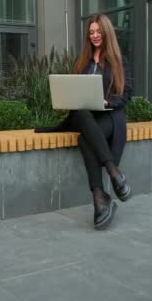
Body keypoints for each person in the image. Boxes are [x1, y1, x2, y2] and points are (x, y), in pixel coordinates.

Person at [36, 14, 133, 230]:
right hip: (85, 115)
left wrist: (107, 101)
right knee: (80, 113)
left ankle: (100, 197)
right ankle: (113, 173)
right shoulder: (82, 61)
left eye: (98, 32)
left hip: (109, 116)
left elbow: (127, 94)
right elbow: (75, 91)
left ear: (106, 33)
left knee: (84, 140)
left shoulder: (119, 61)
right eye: (91, 33)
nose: (95, 36)